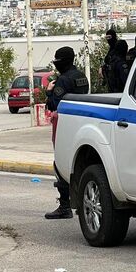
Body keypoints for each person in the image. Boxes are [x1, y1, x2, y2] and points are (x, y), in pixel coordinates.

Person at [45, 46, 90, 219]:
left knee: (61, 163)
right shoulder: (81, 76)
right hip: (81, 123)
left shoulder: (63, 80)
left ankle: (65, 206)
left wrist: (49, 92)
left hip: (64, 125)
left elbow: (54, 104)